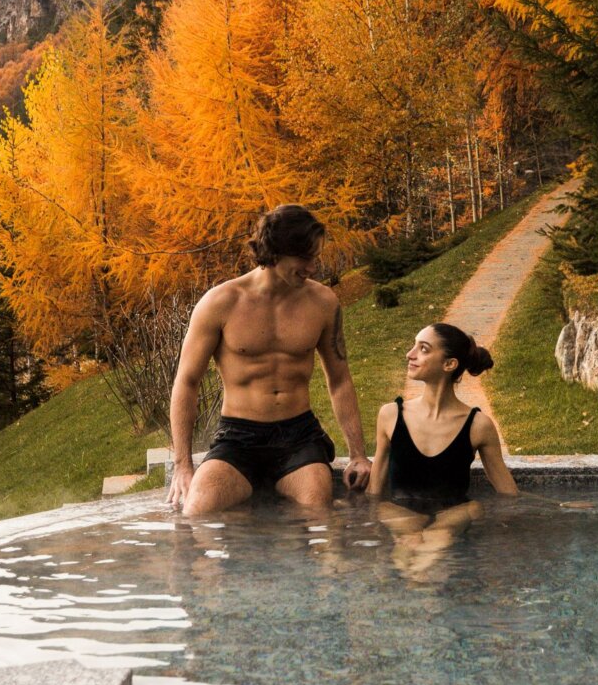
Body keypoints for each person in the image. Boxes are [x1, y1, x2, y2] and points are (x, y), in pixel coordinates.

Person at [167, 205, 371, 515]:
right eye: (305, 259)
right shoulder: (221, 302)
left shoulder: (323, 302)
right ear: (275, 252)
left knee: (318, 509)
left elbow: (340, 378)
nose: (313, 268)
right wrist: (183, 465)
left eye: (315, 258)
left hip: (298, 436)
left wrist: (358, 454)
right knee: (198, 511)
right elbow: (187, 381)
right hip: (239, 437)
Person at [371, 321, 517, 520]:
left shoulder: (478, 426)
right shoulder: (391, 415)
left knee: (441, 536)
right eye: (414, 345)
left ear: (449, 364)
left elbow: (508, 493)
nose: (410, 354)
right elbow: (373, 492)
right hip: (400, 515)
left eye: (423, 349)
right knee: (410, 540)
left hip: (453, 517)